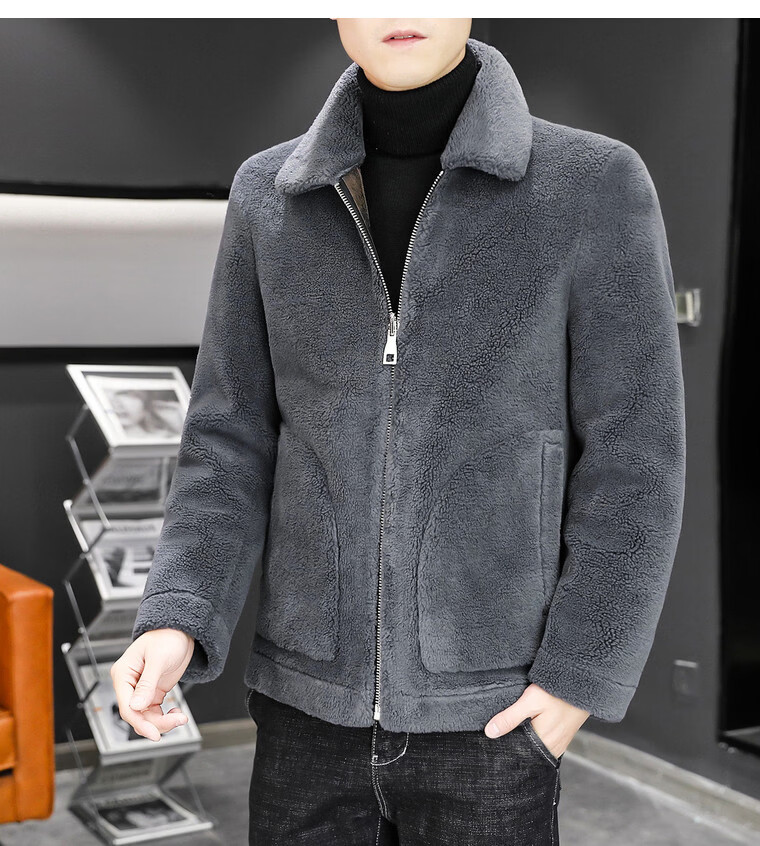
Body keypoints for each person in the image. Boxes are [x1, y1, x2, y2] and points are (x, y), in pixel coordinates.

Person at [111, 18, 686, 845]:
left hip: (492, 719)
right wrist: (178, 612)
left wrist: (575, 683)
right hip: (304, 713)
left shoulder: (591, 185)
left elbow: (636, 460)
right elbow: (227, 443)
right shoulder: (269, 193)